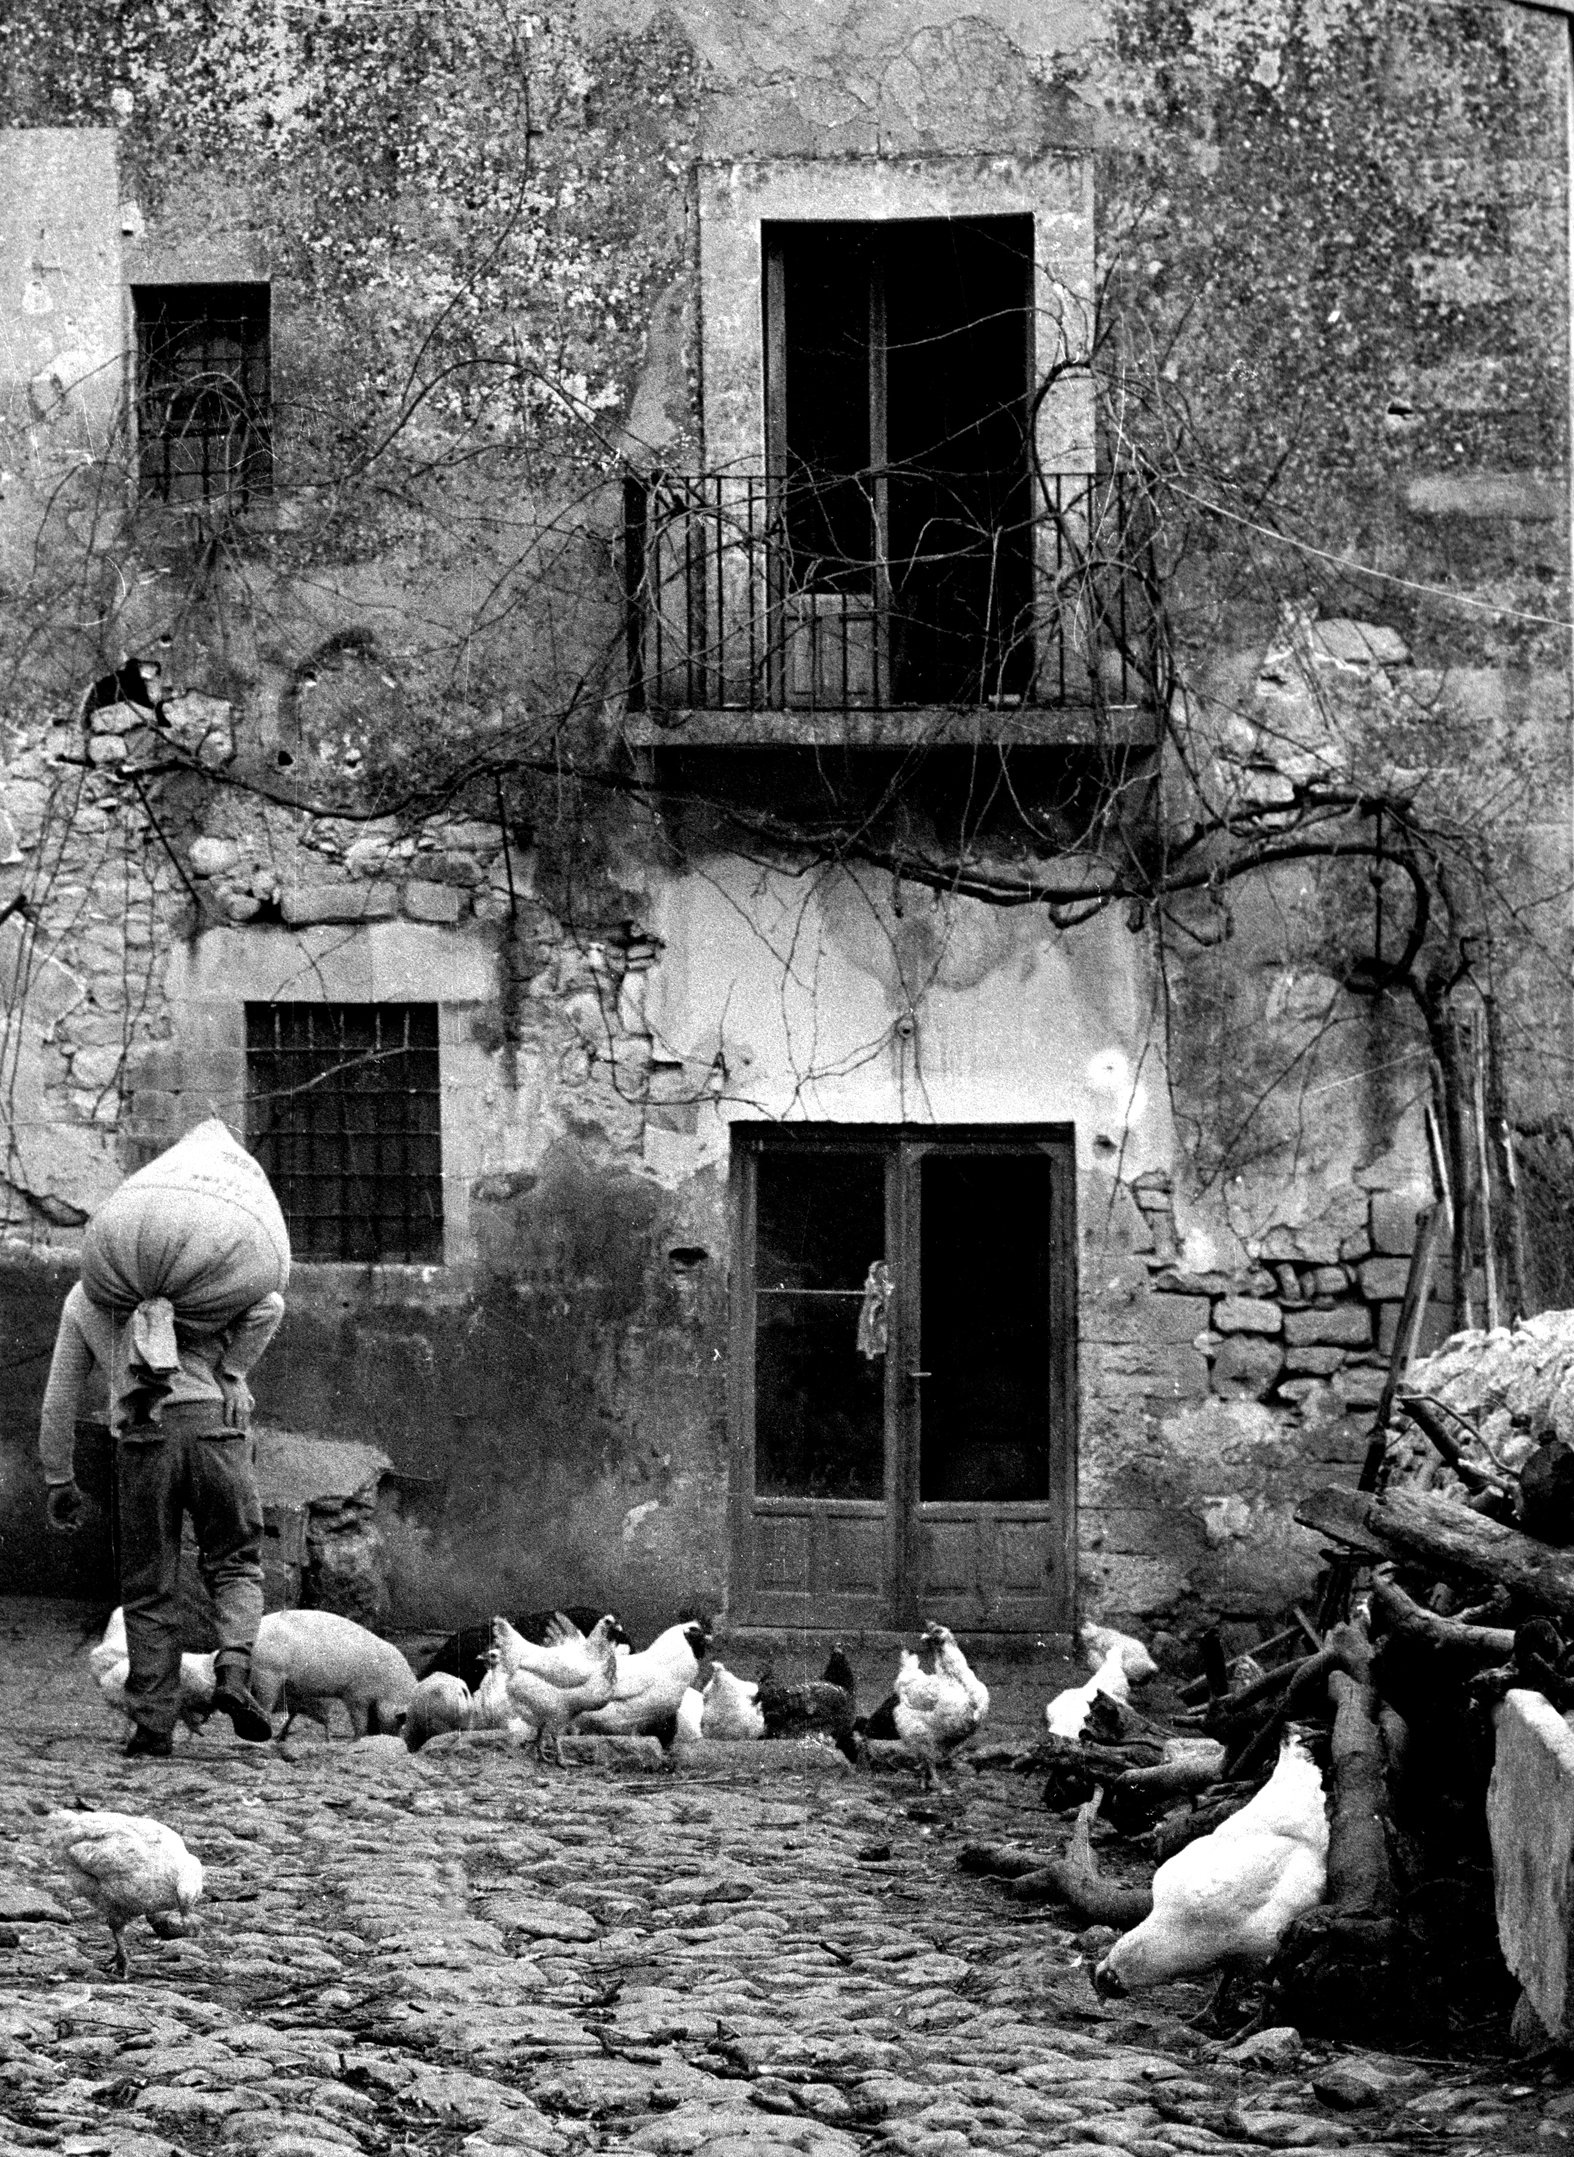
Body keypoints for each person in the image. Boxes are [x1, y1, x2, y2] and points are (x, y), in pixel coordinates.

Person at [40, 1281, 285, 1756]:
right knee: (235, 1562)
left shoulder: (88, 1295)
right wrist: (232, 1371)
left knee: (149, 1585)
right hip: (218, 1428)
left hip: (144, 1436)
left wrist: (59, 1477)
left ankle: (153, 1728)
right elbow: (270, 1304)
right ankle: (233, 1673)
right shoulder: (203, 1279)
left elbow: (59, 1397)